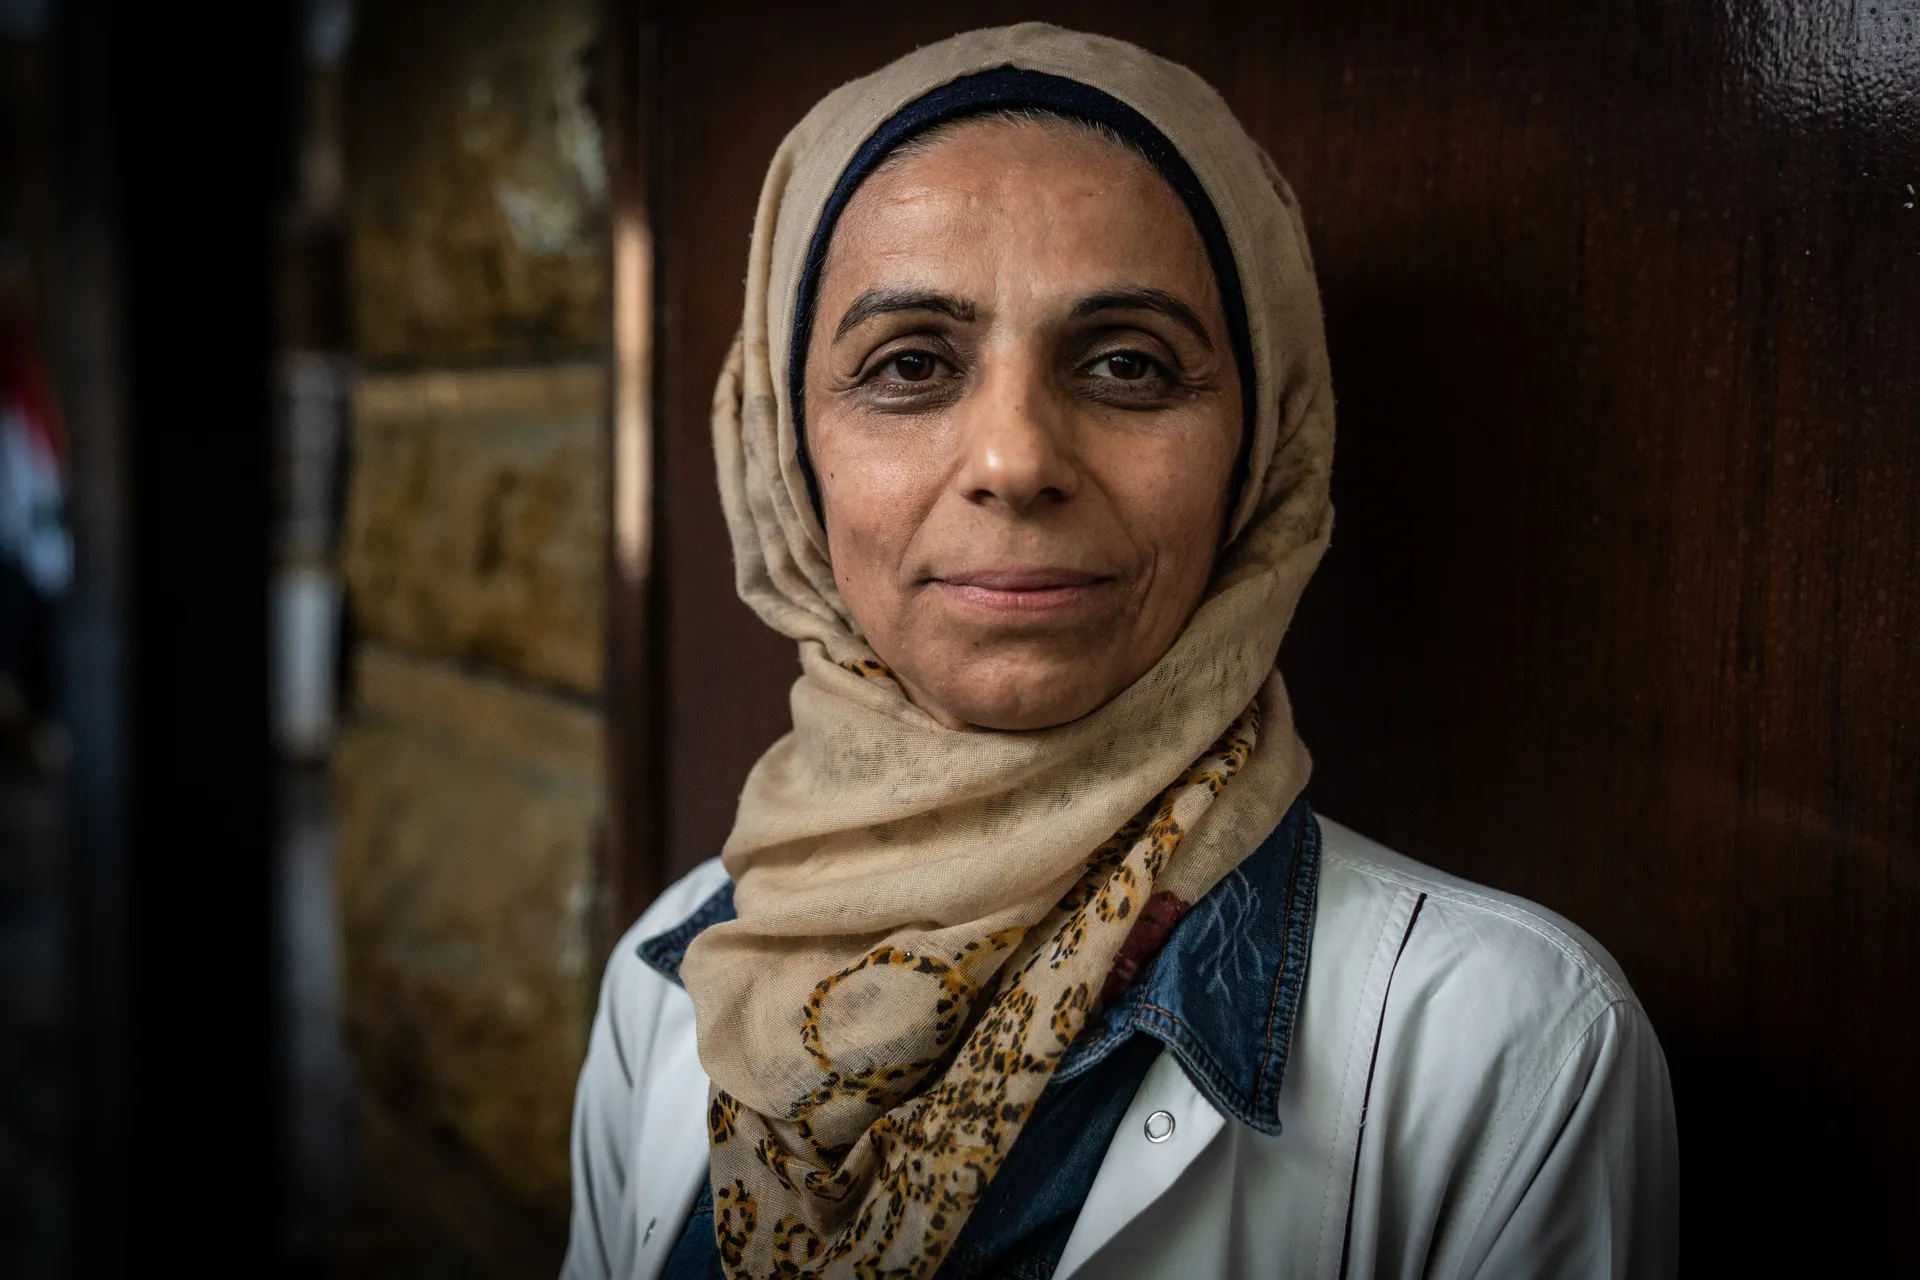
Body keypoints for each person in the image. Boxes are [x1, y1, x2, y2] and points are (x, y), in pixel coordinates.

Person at [564, 24, 1677, 1280]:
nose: (1016, 459)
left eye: (1128, 363)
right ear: (788, 454)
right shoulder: (676, 981)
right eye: (911, 362)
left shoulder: (1502, 1044)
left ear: (1260, 450)